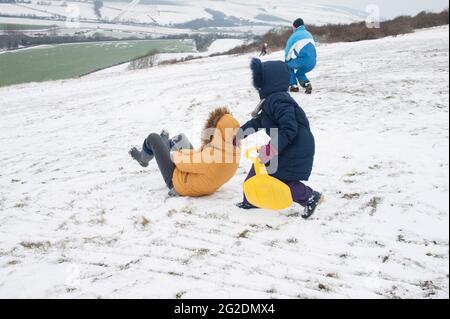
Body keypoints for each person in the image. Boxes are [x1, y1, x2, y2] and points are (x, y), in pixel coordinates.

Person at [235, 58, 322, 219]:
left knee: (279, 178)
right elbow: (259, 122)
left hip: (295, 146)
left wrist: (270, 149)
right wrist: (240, 133)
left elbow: (289, 129)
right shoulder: (271, 101)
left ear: (269, 82)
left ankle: (309, 197)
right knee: (259, 167)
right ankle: (251, 199)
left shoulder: (279, 100)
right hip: (285, 144)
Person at [129, 107, 241, 197]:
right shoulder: (231, 150)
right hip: (198, 178)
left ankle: (143, 159)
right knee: (180, 139)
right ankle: (162, 146)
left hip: (179, 182)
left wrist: (176, 155)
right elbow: (200, 157)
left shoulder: (213, 157)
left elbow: (182, 163)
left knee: (153, 138)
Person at [284, 18, 317, 94]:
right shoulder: (309, 34)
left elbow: (288, 50)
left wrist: (287, 60)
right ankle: (307, 84)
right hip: (313, 62)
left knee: (287, 66)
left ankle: (293, 86)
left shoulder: (295, 36)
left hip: (303, 61)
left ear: (295, 27)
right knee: (299, 73)